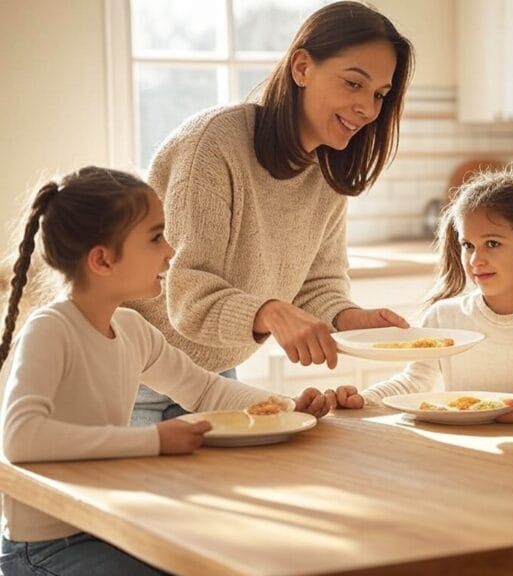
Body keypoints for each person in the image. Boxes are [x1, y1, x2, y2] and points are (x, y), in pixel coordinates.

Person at [0, 167, 336, 576]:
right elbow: (20, 438)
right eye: (156, 237)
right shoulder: (51, 329)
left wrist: (288, 407)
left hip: (103, 527)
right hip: (44, 548)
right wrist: (153, 439)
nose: (171, 251)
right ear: (102, 259)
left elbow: (206, 392)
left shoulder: (130, 329)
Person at [128, 0, 415, 425]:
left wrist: (351, 319)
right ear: (301, 67)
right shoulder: (214, 145)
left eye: (379, 95)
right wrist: (269, 312)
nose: (368, 110)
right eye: (354, 84)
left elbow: (317, 285)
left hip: (213, 377)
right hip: (135, 375)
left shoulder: (326, 171)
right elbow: (187, 294)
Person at [337, 167, 513, 425]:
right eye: (468, 245)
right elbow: (413, 382)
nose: (476, 259)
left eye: (492, 244)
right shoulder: (445, 317)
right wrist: (363, 399)